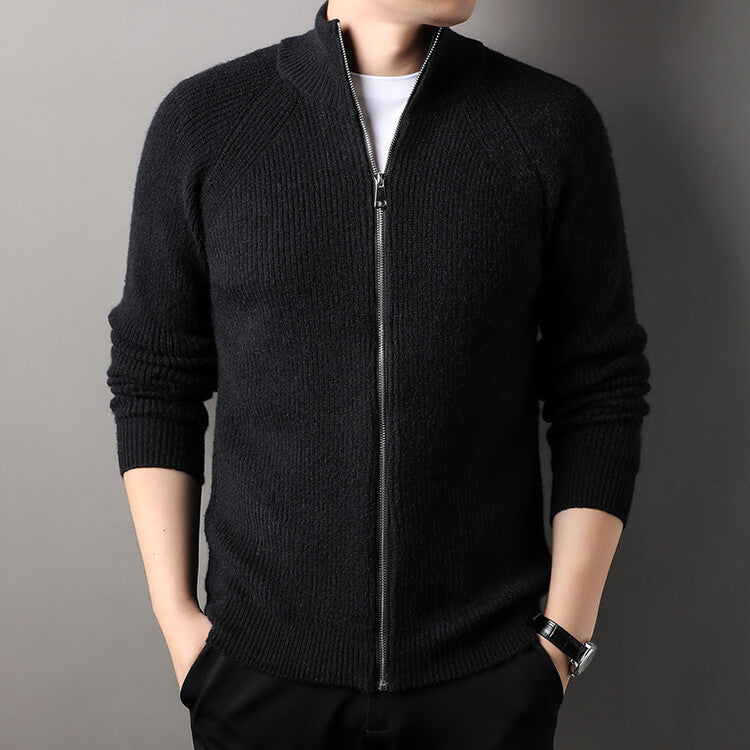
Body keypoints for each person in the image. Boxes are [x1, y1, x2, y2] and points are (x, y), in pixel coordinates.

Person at [106, 0, 651, 747]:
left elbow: (601, 386)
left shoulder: (546, 125)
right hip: (258, 675)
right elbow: (155, 377)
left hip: (486, 677)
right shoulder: (208, 122)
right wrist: (179, 624)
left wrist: (561, 641)